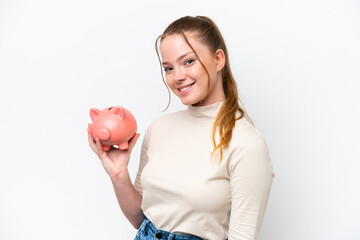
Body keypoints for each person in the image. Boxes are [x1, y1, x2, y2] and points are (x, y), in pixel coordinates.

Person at [88, 15, 274, 240]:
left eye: (188, 61)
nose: (177, 77)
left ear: (218, 60)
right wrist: (118, 175)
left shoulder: (246, 144)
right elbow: (142, 219)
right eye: (168, 68)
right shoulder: (158, 129)